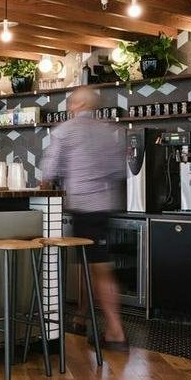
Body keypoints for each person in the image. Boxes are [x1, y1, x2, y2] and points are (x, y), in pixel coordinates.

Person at [40, 89, 128, 351]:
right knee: (89, 264)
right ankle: (81, 317)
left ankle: (116, 332)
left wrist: (41, 194)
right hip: (104, 206)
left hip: (83, 207)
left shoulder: (65, 131)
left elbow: (48, 172)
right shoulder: (108, 131)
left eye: (71, 102)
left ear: (79, 104)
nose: (69, 106)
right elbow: (118, 171)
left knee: (99, 268)